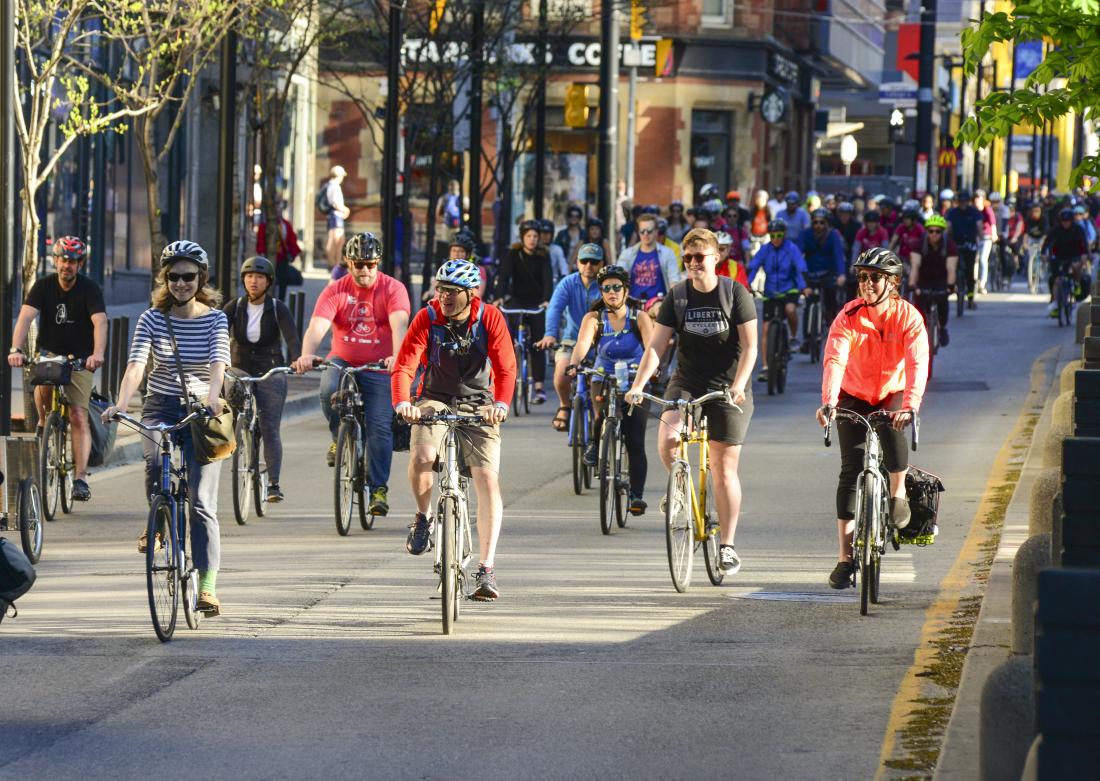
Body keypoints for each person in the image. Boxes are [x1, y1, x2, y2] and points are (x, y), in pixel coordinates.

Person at [102, 241, 229, 615]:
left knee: (202, 503)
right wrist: (122, 404)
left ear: (201, 278)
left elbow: (218, 363)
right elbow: (137, 365)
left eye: (188, 276)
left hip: (200, 409)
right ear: (164, 278)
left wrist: (213, 397)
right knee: (156, 462)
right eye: (173, 277)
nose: (180, 284)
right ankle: (158, 521)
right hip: (160, 403)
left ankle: (207, 586)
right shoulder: (152, 318)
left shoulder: (215, 319)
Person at [625, 228, 758, 575]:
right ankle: (679, 486)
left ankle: (727, 546)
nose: (694, 263)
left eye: (701, 257)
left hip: (728, 385)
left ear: (716, 258)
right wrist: (639, 384)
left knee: (723, 469)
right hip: (687, 381)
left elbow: (751, 347)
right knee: (668, 439)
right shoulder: (677, 295)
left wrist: (740, 385)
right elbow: (657, 346)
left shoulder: (735, 292)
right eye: (688, 258)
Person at [392, 259, 516, 601]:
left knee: (487, 478)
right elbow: (405, 365)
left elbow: (506, 368)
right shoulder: (428, 318)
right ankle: (424, 516)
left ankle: (486, 569)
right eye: (440, 288)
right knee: (421, 456)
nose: (443, 296)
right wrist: (403, 402)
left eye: (451, 291)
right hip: (434, 398)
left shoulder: (489, 318)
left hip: (480, 402)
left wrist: (501, 405)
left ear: (470, 294)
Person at [817, 247, 928, 590]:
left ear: (892, 283)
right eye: (862, 277)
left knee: (894, 441)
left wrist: (909, 405)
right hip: (854, 393)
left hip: (892, 392)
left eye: (875, 278)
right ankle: (845, 558)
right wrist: (829, 403)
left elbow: (916, 363)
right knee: (850, 470)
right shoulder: (848, 317)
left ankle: (898, 494)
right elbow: (835, 360)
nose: (867, 284)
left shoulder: (908, 317)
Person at [292, 232, 410, 515]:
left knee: (380, 425)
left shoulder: (393, 289)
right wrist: (307, 354)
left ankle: (378, 488)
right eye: (358, 264)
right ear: (347, 262)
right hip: (343, 360)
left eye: (370, 264)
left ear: (378, 263)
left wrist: (398, 356)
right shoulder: (336, 290)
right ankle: (339, 437)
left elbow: (400, 326)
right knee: (328, 389)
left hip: (380, 365)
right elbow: (317, 327)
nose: (365, 270)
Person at [8, 236, 106, 502]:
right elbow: (25, 318)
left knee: (77, 415)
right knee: (42, 382)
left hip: (80, 359)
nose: (67, 266)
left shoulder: (89, 289)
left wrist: (97, 354)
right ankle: (43, 421)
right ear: (55, 260)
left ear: (80, 263)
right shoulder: (43, 286)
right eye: (63, 260)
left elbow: (100, 322)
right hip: (50, 354)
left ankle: (81, 478)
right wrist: (15, 349)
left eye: (73, 261)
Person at [568, 265, 654, 514]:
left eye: (617, 287)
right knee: (599, 415)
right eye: (606, 288)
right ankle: (596, 444)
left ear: (626, 291)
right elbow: (583, 344)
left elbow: (651, 348)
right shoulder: (594, 319)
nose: (612, 292)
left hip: (636, 379)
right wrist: (574, 364)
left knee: (635, 439)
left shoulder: (640, 317)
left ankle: (636, 496)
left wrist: (653, 370)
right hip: (603, 376)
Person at [221, 256, 301, 502]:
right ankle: (238, 432)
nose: (253, 281)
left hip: (270, 368)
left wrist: (298, 359)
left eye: (259, 277)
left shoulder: (277, 308)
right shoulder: (234, 307)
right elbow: (217, 333)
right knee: (230, 392)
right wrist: (216, 361)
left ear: (268, 282)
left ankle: (274, 484)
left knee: (269, 427)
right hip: (241, 367)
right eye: (249, 276)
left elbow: (291, 338)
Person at [536, 242, 604, 433]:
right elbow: (555, 309)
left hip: (602, 341)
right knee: (561, 374)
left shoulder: (606, 284)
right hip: (572, 339)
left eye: (594, 261)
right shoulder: (567, 283)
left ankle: (602, 419)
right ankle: (565, 405)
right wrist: (550, 334)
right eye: (584, 261)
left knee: (603, 382)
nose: (589, 265)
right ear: (577, 262)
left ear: (601, 264)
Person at [492, 219, 553, 403]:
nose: (532, 239)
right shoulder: (513, 254)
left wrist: (546, 300)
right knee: (509, 342)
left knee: (537, 344)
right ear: (522, 237)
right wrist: (499, 297)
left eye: (535, 236)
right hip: (516, 301)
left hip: (536, 303)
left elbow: (547, 279)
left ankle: (539, 387)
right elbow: (504, 276)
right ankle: (505, 382)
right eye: (529, 236)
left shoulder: (544, 255)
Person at [747, 218, 810, 380]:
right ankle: (766, 367)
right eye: (772, 235)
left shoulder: (791, 248)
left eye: (779, 234)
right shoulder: (765, 249)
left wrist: (804, 286)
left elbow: (800, 268)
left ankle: (793, 337)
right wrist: (747, 285)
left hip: (789, 289)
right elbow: (754, 266)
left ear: (784, 234)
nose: (775, 238)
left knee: (790, 309)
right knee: (766, 328)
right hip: (770, 292)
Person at [908, 214, 957, 347]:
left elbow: (951, 268)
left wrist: (950, 286)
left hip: (941, 279)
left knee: (943, 303)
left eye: (938, 231)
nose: (934, 234)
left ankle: (943, 329)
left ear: (942, 232)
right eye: (931, 231)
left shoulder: (950, 246)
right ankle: (919, 332)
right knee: (919, 306)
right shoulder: (918, 245)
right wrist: (913, 285)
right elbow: (915, 267)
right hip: (924, 279)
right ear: (927, 231)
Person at [617, 212, 681, 309]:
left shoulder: (668, 253)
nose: (645, 234)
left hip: (659, 306)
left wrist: (673, 303)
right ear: (638, 232)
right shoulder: (627, 254)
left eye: (649, 231)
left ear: (656, 231)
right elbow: (618, 278)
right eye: (642, 231)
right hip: (632, 305)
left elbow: (674, 280)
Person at [800, 208, 847, 328]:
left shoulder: (833, 235)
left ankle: (831, 322)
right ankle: (806, 337)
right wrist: (798, 271)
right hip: (810, 272)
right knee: (808, 302)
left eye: (821, 222)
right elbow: (798, 254)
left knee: (830, 301)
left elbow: (838, 255)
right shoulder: (805, 234)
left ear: (826, 223)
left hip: (828, 272)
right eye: (815, 222)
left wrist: (841, 274)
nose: (818, 225)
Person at [1042, 207, 1090, 315]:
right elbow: (1047, 241)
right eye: (1064, 221)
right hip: (1059, 256)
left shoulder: (1078, 229)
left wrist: (1084, 255)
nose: (1066, 224)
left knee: (1076, 266)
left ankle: (1076, 283)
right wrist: (1044, 253)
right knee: (1057, 279)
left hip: (1075, 255)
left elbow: (1084, 243)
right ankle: (1055, 302)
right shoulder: (1056, 229)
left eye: (1068, 221)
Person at [256, 200, 303, 300]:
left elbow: (291, 240)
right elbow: (261, 241)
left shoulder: (285, 224)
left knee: (283, 281)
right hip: (269, 259)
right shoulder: (264, 225)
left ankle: (280, 302)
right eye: (276, 207)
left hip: (282, 259)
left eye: (279, 207)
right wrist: (262, 253)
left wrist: (293, 254)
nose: (278, 210)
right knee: (268, 282)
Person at [945, 189, 982, 309]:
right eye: (961, 201)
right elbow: (948, 226)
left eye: (965, 201)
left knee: (969, 272)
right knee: (952, 267)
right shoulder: (952, 212)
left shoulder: (975, 212)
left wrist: (981, 238)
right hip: (955, 243)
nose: (963, 203)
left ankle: (970, 298)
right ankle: (953, 285)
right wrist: (946, 237)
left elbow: (979, 226)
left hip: (970, 244)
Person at [322, 165, 351, 269]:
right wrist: (346, 210)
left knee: (337, 241)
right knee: (337, 241)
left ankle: (334, 264)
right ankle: (334, 264)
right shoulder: (335, 187)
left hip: (334, 216)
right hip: (336, 216)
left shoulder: (331, 186)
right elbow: (336, 204)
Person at [973, 189, 998, 295]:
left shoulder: (987, 210)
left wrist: (994, 234)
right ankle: (974, 280)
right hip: (974, 237)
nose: (977, 200)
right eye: (976, 198)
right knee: (975, 260)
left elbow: (992, 223)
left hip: (986, 236)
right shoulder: (973, 210)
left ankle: (982, 284)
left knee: (983, 259)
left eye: (979, 198)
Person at [541, 219, 570, 284]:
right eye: (543, 233)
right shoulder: (534, 248)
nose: (545, 236)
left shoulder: (557, 249)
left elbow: (564, 269)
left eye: (548, 233)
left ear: (552, 234)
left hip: (553, 282)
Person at [748, 189, 773, 256]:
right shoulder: (752, 211)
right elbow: (749, 224)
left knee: (766, 253)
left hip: (766, 236)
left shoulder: (769, 211)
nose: (760, 200)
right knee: (754, 254)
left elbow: (772, 223)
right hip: (754, 237)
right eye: (758, 198)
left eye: (762, 198)